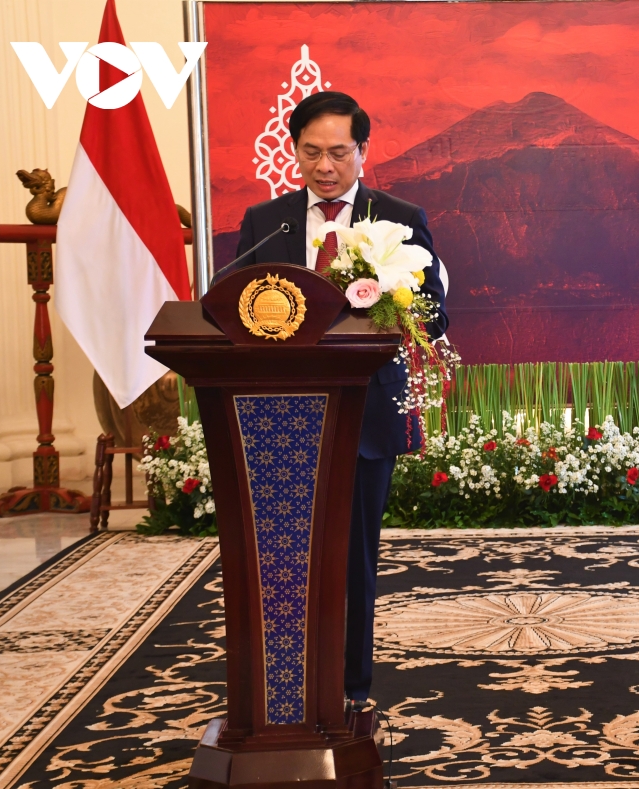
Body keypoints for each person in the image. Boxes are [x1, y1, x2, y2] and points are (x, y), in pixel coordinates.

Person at [232, 91, 449, 708]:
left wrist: (385, 304)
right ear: (293, 150)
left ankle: (349, 688)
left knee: (354, 556)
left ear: (363, 150)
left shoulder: (398, 217)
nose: (324, 167)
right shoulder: (266, 222)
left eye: (338, 153)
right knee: (277, 557)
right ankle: (281, 687)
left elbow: (434, 315)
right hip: (276, 412)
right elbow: (234, 305)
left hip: (364, 411)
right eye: (310, 152)